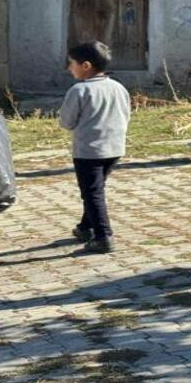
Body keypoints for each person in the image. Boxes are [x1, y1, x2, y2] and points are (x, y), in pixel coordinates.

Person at [59, 41, 131, 255]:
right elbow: (126, 115)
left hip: (89, 151)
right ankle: (85, 227)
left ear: (86, 65)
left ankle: (103, 236)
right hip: (115, 147)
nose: (69, 68)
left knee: (92, 194)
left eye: (71, 63)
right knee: (95, 190)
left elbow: (67, 122)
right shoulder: (118, 87)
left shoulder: (79, 90)